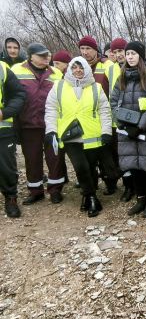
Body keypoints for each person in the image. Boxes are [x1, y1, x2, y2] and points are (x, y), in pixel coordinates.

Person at [45, 57, 114, 217]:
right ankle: (91, 197)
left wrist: (106, 132)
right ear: (69, 69)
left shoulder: (96, 87)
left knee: (90, 167)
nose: (78, 70)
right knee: (80, 167)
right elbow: (51, 109)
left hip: (92, 134)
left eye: (81, 68)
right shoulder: (59, 86)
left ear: (87, 70)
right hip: (69, 135)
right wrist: (51, 130)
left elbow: (104, 110)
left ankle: (87, 195)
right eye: (74, 67)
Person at [110, 41, 146, 218]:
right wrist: (122, 123)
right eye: (128, 54)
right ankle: (140, 199)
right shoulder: (121, 77)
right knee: (134, 165)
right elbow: (114, 102)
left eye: (133, 53)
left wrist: (140, 126)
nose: (130, 57)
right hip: (127, 129)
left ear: (141, 55)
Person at [11, 43, 66, 205]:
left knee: (55, 157)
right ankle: (35, 191)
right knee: (32, 159)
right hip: (28, 123)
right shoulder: (16, 70)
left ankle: (55, 190)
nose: (46, 58)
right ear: (31, 56)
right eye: (41, 56)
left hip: (52, 123)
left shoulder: (55, 72)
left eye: (47, 55)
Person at [106, 37, 134, 202]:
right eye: (114, 52)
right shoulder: (111, 69)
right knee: (122, 155)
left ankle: (138, 186)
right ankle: (128, 186)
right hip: (118, 119)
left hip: (134, 117)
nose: (118, 54)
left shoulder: (136, 67)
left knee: (135, 154)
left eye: (120, 51)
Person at [0, 60, 26, 218]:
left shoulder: (3, 68)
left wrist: (5, 112)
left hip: (2, 128)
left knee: (6, 166)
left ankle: (11, 197)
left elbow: (19, 95)